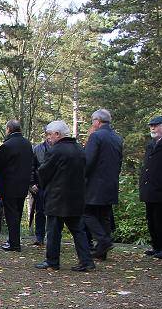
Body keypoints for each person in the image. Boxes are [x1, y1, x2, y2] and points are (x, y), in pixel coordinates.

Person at [34, 120, 96, 272]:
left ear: (57, 134)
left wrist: (41, 183)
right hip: (76, 196)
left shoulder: (56, 150)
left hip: (57, 197)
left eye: (49, 134)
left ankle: (52, 260)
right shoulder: (79, 149)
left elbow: (44, 171)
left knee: (54, 230)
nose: (48, 138)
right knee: (78, 230)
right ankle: (86, 260)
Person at [83, 109, 123, 260]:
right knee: (104, 216)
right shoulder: (117, 138)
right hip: (110, 183)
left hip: (95, 184)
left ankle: (104, 240)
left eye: (92, 121)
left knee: (86, 212)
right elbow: (119, 162)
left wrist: (82, 177)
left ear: (97, 122)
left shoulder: (96, 136)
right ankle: (102, 252)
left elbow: (88, 161)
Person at [0, 119, 34, 252]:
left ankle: (14, 243)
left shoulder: (7, 145)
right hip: (23, 185)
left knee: (11, 214)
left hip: (9, 185)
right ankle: (14, 240)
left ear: (9, 129)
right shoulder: (27, 144)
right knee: (17, 212)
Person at [139, 116, 162, 259]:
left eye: (155, 126)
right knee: (151, 219)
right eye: (151, 126)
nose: (153, 128)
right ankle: (156, 246)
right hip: (149, 188)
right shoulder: (150, 145)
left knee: (161, 219)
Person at [29, 136, 50, 246]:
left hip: (54, 187)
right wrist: (32, 184)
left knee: (54, 213)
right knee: (40, 211)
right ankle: (39, 237)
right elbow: (31, 167)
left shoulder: (59, 148)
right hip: (39, 186)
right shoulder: (37, 149)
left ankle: (52, 237)